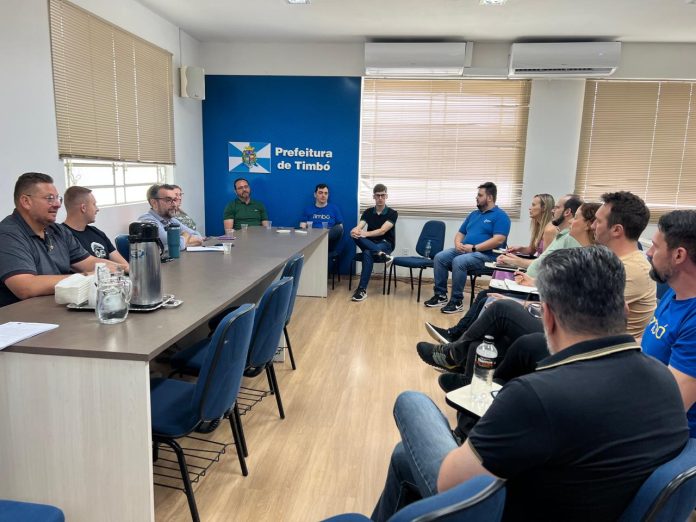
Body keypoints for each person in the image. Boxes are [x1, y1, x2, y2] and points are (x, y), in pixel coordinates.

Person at [371, 246, 688, 522]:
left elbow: (448, 483)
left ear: (547, 317)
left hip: (507, 511)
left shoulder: (537, 396)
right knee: (404, 460)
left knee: (411, 402)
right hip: (596, 505)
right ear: (624, 311)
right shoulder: (665, 381)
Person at [417, 203, 600, 379]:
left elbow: (566, 307)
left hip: (560, 327)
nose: (571, 221)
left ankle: (454, 355)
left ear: (590, 225)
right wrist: (534, 284)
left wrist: (523, 303)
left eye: (576, 217)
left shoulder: (590, 260)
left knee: (499, 307)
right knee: (487, 299)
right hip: (545, 307)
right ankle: (463, 365)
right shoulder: (579, 253)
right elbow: (560, 293)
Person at [424, 195, 584, 345]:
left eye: (557, 207)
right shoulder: (559, 235)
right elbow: (541, 259)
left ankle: (458, 335)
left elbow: (549, 268)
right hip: (529, 282)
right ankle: (456, 334)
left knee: (478, 284)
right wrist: (519, 255)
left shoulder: (560, 235)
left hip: (531, 287)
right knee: (480, 291)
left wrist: (517, 264)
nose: (552, 210)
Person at [0, 173, 120, 307]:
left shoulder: (58, 231)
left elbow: (88, 262)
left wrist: (123, 269)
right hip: (21, 316)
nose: (57, 204)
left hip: (57, 309)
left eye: (58, 198)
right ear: (26, 202)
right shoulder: (7, 234)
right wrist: (87, 276)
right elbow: (25, 287)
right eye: (50, 198)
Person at [642, 210, 696, 437]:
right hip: (644, 394)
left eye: (655, 247)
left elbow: (671, 408)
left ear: (678, 255)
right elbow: (650, 343)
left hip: (672, 434)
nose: (648, 253)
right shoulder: (674, 293)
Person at [424, 182, 510, 314]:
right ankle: (440, 295)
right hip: (466, 251)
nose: (476, 197)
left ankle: (456, 301)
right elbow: (460, 233)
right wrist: (458, 243)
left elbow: (499, 239)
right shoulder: (474, 214)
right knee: (440, 257)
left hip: (487, 256)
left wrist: (474, 248)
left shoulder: (501, 216)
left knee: (459, 261)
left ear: (489, 198)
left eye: (480, 195)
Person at [591, 191, 655, 340]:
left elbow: (579, 313)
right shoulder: (611, 260)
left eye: (598, 221)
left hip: (605, 347)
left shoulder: (633, 270)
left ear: (616, 230)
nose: (592, 226)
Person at [349, 183, 397, 302]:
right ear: (373, 197)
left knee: (367, 252)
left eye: (382, 195)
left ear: (386, 196)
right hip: (370, 243)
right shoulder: (368, 212)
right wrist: (354, 231)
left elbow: (382, 231)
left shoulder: (392, 213)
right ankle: (382, 255)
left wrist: (364, 234)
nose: (380, 198)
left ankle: (361, 290)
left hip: (386, 244)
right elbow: (359, 227)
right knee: (355, 236)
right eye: (377, 195)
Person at [62, 186, 129, 269]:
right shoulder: (63, 237)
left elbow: (125, 266)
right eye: (94, 204)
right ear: (83, 208)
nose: (97, 209)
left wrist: (126, 269)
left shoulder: (96, 232)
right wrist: (123, 268)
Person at [493, 193, 555, 276]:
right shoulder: (539, 227)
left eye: (533, 205)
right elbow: (531, 250)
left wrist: (517, 261)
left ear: (544, 208)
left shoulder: (550, 230)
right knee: (502, 264)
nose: (530, 208)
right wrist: (520, 249)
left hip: (540, 270)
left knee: (503, 268)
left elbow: (545, 262)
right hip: (535, 264)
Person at [138, 184, 203, 251]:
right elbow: (173, 244)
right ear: (154, 203)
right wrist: (185, 235)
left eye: (175, 200)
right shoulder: (147, 221)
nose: (174, 204)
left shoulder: (171, 220)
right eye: (168, 200)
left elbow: (198, 236)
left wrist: (179, 243)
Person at [300, 183, 344, 250]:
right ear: (315, 194)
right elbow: (302, 226)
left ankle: (318, 243)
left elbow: (340, 227)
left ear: (328, 195)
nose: (323, 195)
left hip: (329, 241)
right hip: (311, 238)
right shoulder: (308, 209)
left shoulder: (334, 209)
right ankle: (317, 244)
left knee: (338, 228)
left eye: (326, 193)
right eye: (320, 193)